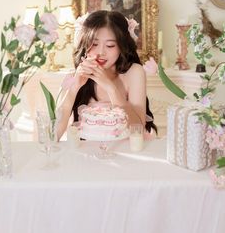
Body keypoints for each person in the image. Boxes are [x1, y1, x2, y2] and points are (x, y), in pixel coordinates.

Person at [57, 10, 157, 140]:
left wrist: (110, 87)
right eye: (94, 44)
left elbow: (138, 127)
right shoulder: (75, 76)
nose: (101, 52)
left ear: (122, 46)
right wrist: (75, 87)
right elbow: (54, 134)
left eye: (110, 45)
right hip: (87, 154)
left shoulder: (134, 72)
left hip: (126, 152)